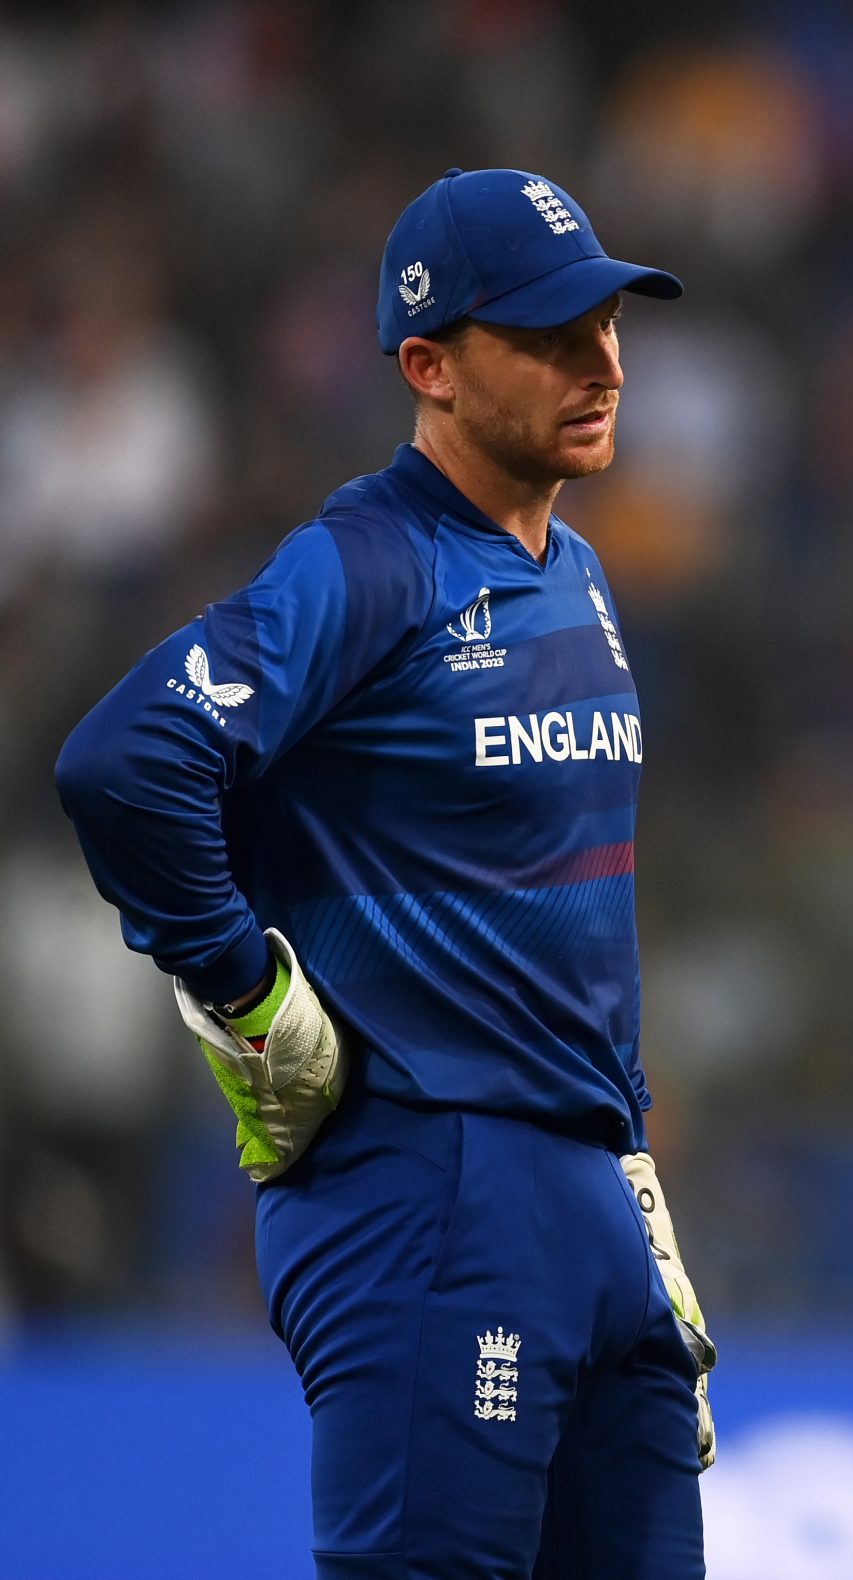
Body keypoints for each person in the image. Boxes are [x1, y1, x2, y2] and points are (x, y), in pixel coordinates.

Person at [55, 168, 713, 1578]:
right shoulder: (371, 564)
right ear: (430, 367)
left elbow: (565, 922)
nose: (602, 364)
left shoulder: (576, 570)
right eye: (547, 336)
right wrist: (245, 994)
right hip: (430, 1186)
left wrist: (632, 1177)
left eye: (607, 324)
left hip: (592, 1203)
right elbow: (126, 760)